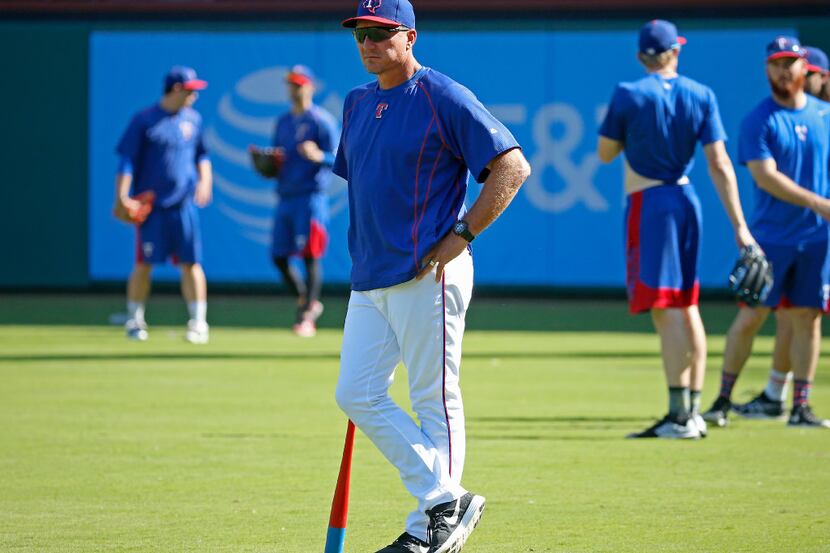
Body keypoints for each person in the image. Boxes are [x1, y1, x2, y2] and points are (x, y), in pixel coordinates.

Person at [332, 1, 531, 551]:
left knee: (433, 400)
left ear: (410, 36)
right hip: (370, 276)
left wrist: (463, 235)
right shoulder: (356, 102)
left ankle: (427, 530)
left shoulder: (442, 94)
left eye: (380, 31)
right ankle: (445, 498)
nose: (368, 42)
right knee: (356, 393)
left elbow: (512, 166)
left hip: (429, 271)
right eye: (360, 33)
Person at [597, 20, 756, 439]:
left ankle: (678, 416)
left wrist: (635, 128)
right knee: (687, 306)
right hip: (688, 201)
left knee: (665, 310)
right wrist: (741, 227)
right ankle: (693, 411)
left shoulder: (629, 93)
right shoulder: (701, 94)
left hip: (650, 204)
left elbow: (605, 152)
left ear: (640, 57)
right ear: (676, 51)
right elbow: (720, 164)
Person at [702, 37, 830, 429]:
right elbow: (765, 176)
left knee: (808, 318)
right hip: (772, 237)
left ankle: (801, 406)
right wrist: (818, 203)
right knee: (752, 317)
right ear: (767, 69)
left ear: (804, 68)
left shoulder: (824, 114)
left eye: (790, 62)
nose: (783, 70)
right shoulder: (760, 119)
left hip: (817, 238)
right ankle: (723, 399)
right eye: (776, 63)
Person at [114, 66, 213, 344]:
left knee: (191, 263)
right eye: (192, 90)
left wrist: (206, 181)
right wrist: (122, 196)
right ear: (177, 89)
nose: (195, 95)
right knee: (144, 263)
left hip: (183, 207)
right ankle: (135, 319)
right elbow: (126, 161)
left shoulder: (194, 119)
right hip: (152, 207)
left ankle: (198, 322)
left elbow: (202, 155)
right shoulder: (145, 120)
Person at [268, 65, 338, 338]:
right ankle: (305, 298)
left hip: (310, 197)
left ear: (310, 87)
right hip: (286, 195)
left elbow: (338, 159)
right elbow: (277, 159)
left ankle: (307, 316)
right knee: (278, 256)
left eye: (299, 84)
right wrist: (268, 163)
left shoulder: (321, 121)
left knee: (309, 255)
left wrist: (319, 156)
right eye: (290, 84)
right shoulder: (283, 122)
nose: (294, 89)